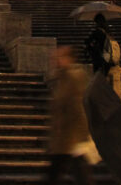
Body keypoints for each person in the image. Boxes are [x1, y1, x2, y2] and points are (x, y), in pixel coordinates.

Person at [47, 46, 94, 185]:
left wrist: (82, 136)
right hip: (63, 139)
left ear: (69, 58)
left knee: (77, 176)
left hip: (72, 140)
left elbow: (80, 109)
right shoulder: (62, 77)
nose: (55, 60)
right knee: (77, 176)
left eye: (60, 57)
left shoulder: (75, 77)